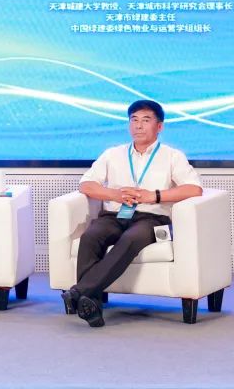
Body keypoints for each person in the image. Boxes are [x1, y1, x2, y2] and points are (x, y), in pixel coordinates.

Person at [61, 99, 202, 327]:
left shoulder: (172, 156)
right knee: (90, 237)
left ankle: (79, 292)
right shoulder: (113, 154)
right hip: (115, 215)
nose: (138, 125)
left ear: (159, 126)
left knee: (130, 239)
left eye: (146, 120)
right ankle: (92, 306)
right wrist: (114, 194)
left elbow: (194, 189)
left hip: (152, 218)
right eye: (134, 120)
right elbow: (86, 184)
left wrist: (153, 195)